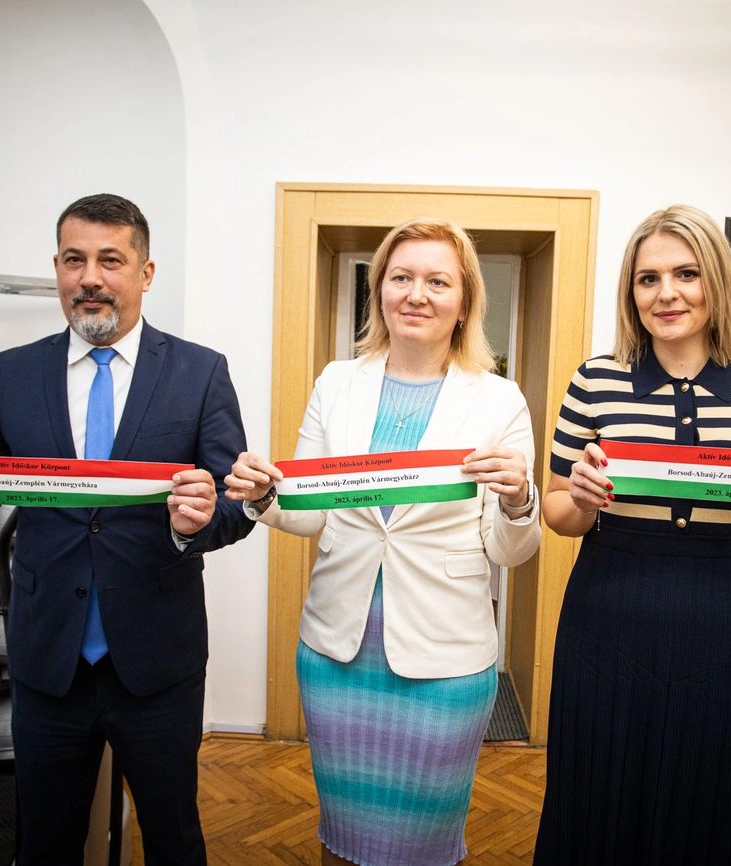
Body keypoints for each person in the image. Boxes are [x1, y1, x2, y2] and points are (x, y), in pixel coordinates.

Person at [0, 194, 253, 865]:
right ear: (57, 268)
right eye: (74, 260)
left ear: (145, 272)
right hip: (49, 660)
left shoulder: (199, 373)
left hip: (157, 662)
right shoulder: (14, 373)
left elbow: (233, 504)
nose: (90, 278)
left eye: (111, 260)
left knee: (173, 840)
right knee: (44, 844)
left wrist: (199, 520)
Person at [533, 205, 731, 865]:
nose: (666, 293)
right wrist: (583, 500)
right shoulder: (595, 380)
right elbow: (557, 512)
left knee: (705, 800)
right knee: (598, 792)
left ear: (717, 283)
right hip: (608, 617)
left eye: (686, 273)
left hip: (720, 623)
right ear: (631, 293)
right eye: (648, 279)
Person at [226, 217, 542, 866]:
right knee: (341, 836)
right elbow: (309, 511)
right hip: (337, 654)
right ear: (380, 292)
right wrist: (264, 495)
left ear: (465, 302)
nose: (416, 294)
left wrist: (518, 499)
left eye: (437, 282)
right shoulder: (336, 383)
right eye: (401, 277)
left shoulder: (500, 400)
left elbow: (510, 550)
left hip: (445, 662)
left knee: (429, 842)